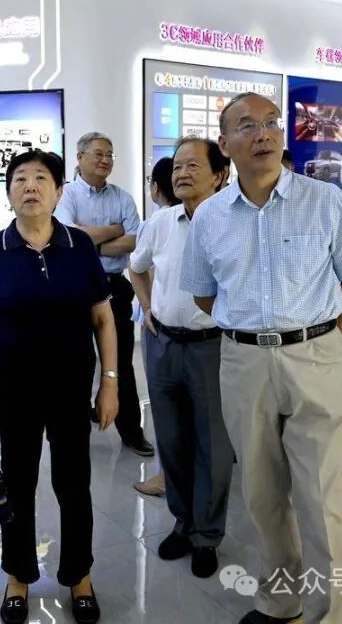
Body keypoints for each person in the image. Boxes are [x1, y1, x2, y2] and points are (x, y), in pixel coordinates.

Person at [181, 92, 342, 624]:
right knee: (262, 493)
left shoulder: (326, 201)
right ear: (225, 144)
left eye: (271, 122)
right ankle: (280, 601)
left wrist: (317, 341)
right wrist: (253, 331)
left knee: (322, 497)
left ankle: (334, 615)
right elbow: (203, 294)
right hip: (243, 362)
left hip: (314, 357)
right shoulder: (210, 216)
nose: (263, 133)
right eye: (247, 126)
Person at [0, 149, 119, 624]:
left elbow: (103, 319)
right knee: (18, 483)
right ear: (8, 192)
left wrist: (110, 383)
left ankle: (79, 574)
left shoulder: (79, 247)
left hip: (71, 388)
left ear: (58, 192)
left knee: (73, 483)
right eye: (20, 179)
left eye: (40, 179)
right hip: (15, 389)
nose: (30, 186)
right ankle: (18, 575)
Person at [130, 137, 233, 579]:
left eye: (193, 166)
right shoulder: (160, 223)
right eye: (177, 167)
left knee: (212, 444)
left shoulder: (234, 221)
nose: (182, 173)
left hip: (213, 346)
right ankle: (183, 523)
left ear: (220, 175)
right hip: (163, 345)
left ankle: (207, 535)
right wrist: (147, 306)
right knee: (171, 440)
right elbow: (136, 267)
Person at [55, 132, 151, 456]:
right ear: (79, 158)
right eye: (98, 153)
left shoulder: (123, 197)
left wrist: (91, 242)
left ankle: (131, 431)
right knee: (76, 360)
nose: (105, 160)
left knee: (121, 361)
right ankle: (76, 427)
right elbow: (67, 236)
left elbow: (136, 240)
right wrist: (113, 230)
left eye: (109, 154)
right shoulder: (66, 195)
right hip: (75, 287)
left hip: (114, 286)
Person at [133, 156, 182, 498]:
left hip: (160, 325)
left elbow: (139, 267)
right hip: (164, 321)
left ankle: (167, 475)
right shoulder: (167, 222)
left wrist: (149, 306)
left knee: (167, 405)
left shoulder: (157, 223)